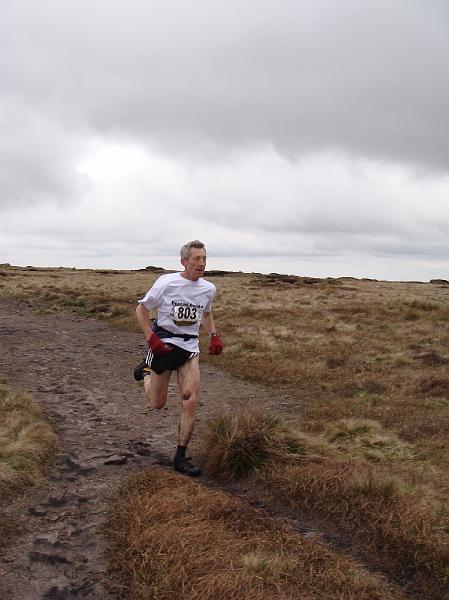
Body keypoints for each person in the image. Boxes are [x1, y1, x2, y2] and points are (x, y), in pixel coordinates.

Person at [134, 240, 223, 476]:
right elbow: (141, 310)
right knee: (157, 403)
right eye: (196, 259)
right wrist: (151, 339)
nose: (201, 263)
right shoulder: (167, 282)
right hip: (164, 344)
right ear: (183, 261)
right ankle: (146, 371)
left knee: (190, 399)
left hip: (189, 347)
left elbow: (206, 312)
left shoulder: (208, 288)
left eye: (204, 259)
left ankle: (180, 456)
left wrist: (213, 335)